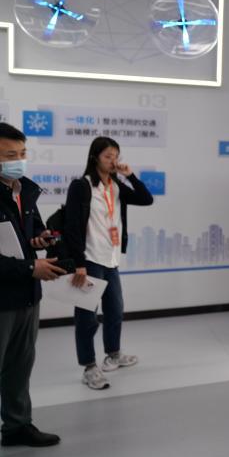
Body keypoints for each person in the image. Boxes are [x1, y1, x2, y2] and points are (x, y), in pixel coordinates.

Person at [64, 137, 153, 390]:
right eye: (108, 156)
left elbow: (146, 199)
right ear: (95, 158)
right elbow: (72, 227)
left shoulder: (116, 186)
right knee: (87, 317)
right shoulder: (81, 186)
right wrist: (79, 263)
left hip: (111, 259)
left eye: (116, 156)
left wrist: (130, 175)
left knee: (115, 310)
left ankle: (113, 354)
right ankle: (89, 367)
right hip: (90, 260)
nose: (113, 161)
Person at [0, 123, 63, 457]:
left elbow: (31, 233)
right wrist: (29, 266)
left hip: (26, 295)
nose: (18, 160)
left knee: (19, 366)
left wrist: (40, 239)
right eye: (10, 155)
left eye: (22, 153)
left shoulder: (24, 190)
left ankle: (17, 426)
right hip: (3, 296)